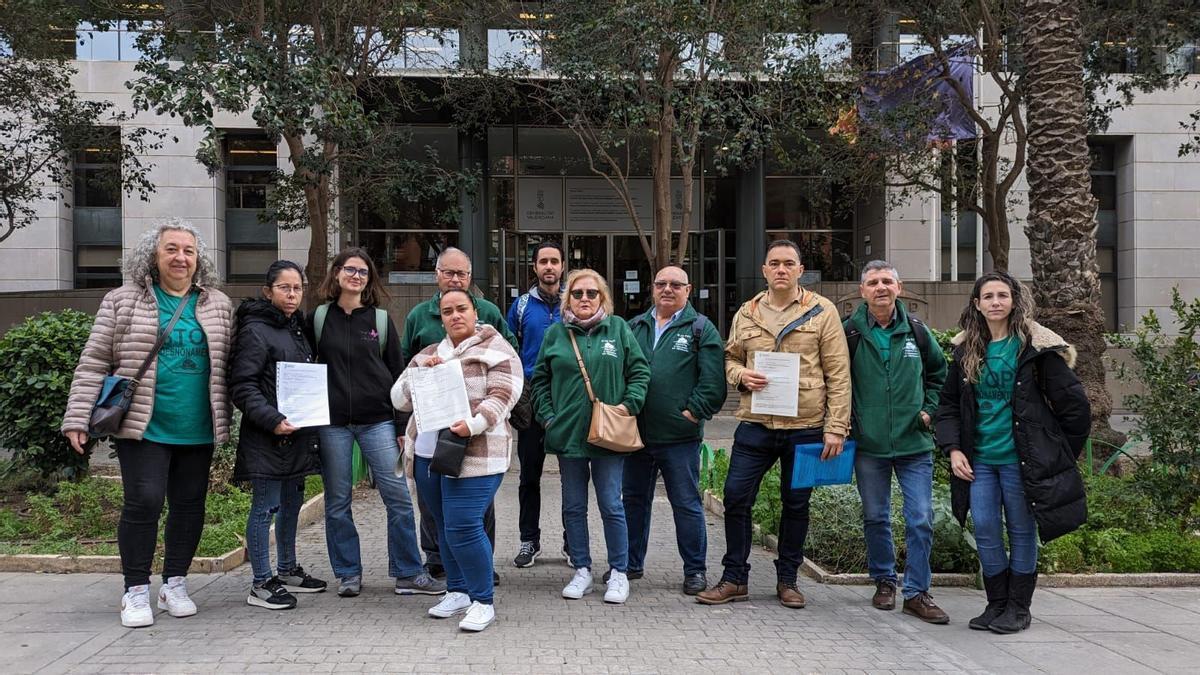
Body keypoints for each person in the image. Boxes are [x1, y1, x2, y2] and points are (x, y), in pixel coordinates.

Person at [62, 219, 234, 628]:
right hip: (144, 425)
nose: (180, 257)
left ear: (199, 259)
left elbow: (232, 367)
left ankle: (175, 582)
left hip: (198, 427)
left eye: (188, 251)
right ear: (153, 257)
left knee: (190, 505)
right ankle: (135, 589)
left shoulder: (218, 305)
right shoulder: (124, 300)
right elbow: (93, 361)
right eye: (171, 249)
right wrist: (77, 416)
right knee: (145, 501)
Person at [697, 240, 850, 608]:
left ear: (800, 270)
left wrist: (836, 427)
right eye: (774, 264)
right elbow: (730, 358)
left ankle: (788, 580)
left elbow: (839, 373)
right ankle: (734, 578)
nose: (781, 269)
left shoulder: (821, 311)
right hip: (756, 424)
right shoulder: (747, 313)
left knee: (796, 505)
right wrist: (740, 376)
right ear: (765, 270)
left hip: (807, 425)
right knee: (735, 497)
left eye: (789, 263)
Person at [936, 271, 1090, 634]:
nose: (995, 302)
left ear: (1014, 301)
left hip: (1022, 461)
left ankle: (1019, 608)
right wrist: (953, 448)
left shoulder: (1035, 350)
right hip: (980, 461)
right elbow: (948, 406)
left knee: (1021, 531)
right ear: (977, 304)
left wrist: (1056, 454)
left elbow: (1075, 407)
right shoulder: (966, 351)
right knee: (986, 530)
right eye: (987, 296)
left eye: (1002, 295)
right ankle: (997, 604)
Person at [308, 247, 444, 598]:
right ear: (336, 274)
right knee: (338, 501)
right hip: (333, 423)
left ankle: (407, 572)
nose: (356, 276)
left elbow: (399, 377)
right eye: (350, 270)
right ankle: (348, 573)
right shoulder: (319, 319)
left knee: (397, 496)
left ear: (369, 280)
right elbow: (305, 371)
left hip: (378, 422)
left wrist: (401, 428)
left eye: (363, 272)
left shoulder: (380, 321)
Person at [391, 289, 523, 632]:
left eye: (461, 308)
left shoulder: (495, 348)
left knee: (464, 525)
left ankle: (483, 601)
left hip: (477, 452)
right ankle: (458, 591)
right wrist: (418, 372)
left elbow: (505, 393)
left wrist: (475, 423)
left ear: (474, 310)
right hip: (428, 453)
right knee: (443, 526)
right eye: (447, 311)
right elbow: (398, 399)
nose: (455, 315)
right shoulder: (429, 353)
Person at [532, 269, 650, 604]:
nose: (585, 299)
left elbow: (639, 371)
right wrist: (549, 417)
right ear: (568, 299)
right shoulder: (556, 333)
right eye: (578, 294)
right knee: (573, 506)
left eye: (592, 293)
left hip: (609, 435)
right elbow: (540, 379)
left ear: (603, 298)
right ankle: (581, 568)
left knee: (612, 504)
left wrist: (630, 405)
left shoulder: (619, 329)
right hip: (568, 435)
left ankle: (619, 571)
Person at [401, 247, 516, 581]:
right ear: (436, 274)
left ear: (470, 278)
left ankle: (483, 564)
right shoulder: (419, 316)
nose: (455, 279)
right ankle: (438, 560)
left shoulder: (490, 312)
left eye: (462, 274)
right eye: (448, 273)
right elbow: (406, 366)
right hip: (430, 428)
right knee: (432, 501)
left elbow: (508, 357)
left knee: (476, 504)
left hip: (475, 432)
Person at [844, 260, 949, 623]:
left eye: (887, 281)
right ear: (863, 291)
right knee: (876, 517)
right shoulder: (849, 333)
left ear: (899, 288)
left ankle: (917, 592)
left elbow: (940, 375)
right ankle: (884, 582)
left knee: (920, 518)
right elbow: (835, 380)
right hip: (868, 445)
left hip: (914, 444)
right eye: (873, 282)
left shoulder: (918, 332)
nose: (881, 287)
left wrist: (929, 410)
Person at [230, 260, 326, 611]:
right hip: (268, 435)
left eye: (297, 288)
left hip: (297, 432)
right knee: (265, 508)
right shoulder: (255, 329)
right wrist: (272, 419)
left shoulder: (297, 327)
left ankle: (286, 569)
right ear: (267, 291)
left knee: (291, 505)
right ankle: (260, 582)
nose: (292, 294)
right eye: (284, 288)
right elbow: (242, 385)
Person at [625, 266, 726, 595]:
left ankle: (695, 570)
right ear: (652, 289)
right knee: (634, 502)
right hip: (636, 436)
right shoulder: (634, 326)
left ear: (688, 289)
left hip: (679, 438)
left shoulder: (700, 328)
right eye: (661, 284)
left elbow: (713, 382)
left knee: (686, 504)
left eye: (675, 284)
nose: (667, 289)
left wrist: (693, 412)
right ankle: (630, 563)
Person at [505, 240, 565, 568]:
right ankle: (529, 541)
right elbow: (510, 348)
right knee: (529, 475)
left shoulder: (576, 301)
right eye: (543, 261)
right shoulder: (522, 306)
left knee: (574, 475)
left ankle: (575, 541)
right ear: (534, 267)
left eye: (555, 261)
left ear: (563, 266)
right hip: (530, 399)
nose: (549, 267)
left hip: (568, 398)